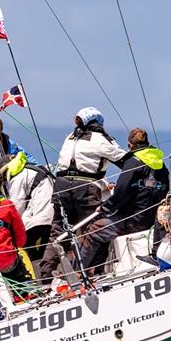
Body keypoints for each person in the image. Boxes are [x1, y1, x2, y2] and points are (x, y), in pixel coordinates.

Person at [38, 107, 125, 286]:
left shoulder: (69, 137)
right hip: (84, 187)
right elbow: (125, 160)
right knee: (95, 229)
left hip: (61, 186)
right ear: (98, 123)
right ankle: (92, 272)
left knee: (59, 231)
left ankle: (46, 277)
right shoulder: (101, 139)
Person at [79, 128, 170, 275]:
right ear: (147, 143)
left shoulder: (133, 161)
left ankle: (78, 273)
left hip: (133, 221)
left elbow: (121, 191)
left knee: (94, 229)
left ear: (130, 145)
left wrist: (105, 207)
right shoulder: (161, 165)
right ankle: (96, 271)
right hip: (153, 219)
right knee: (105, 226)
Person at [3, 150, 54, 268]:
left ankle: (38, 277)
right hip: (51, 217)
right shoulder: (31, 170)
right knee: (45, 249)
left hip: (38, 219)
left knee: (25, 248)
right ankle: (47, 274)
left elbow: (16, 207)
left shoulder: (17, 178)